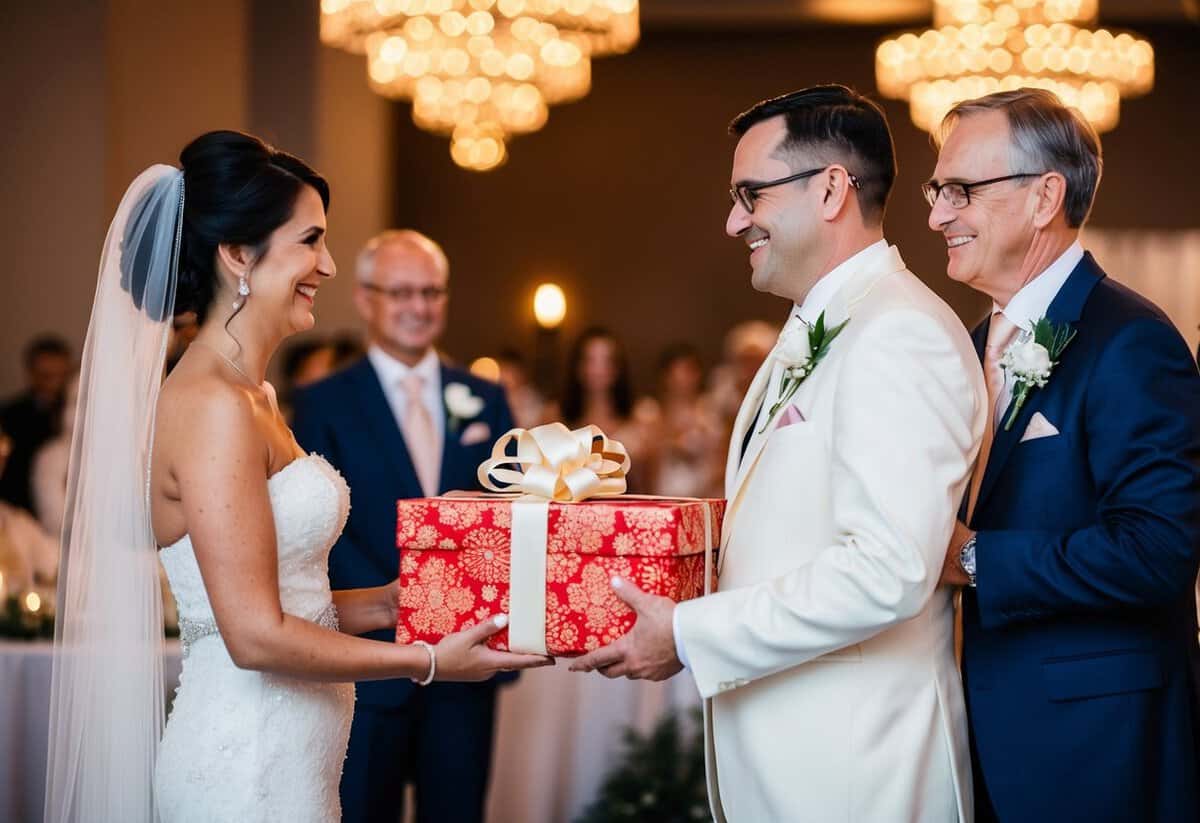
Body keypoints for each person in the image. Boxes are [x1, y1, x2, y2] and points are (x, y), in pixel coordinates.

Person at [43, 131, 549, 823]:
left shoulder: (254, 396)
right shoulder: (213, 405)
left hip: (294, 755)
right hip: (245, 764)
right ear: (238, 253)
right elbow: (254, 636)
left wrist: (394, 601)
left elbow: (290, 596)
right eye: (311, 240)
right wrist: (425, 659)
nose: (328, 265)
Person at [571, 85, 987, 822]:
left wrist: (689, 634)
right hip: (795, 760)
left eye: (750, 195)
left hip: (856, 774)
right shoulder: (822, 325)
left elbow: (887, 570)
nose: (734, 221)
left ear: (830, 189)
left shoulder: (899, 332)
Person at [928, 88, 1200, 822]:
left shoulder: (1131, 339)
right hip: (973, 735)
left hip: (1096, 749)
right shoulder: (966, 347)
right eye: (936, 190)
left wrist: (975, 558)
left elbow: (1159, 549)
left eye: (961, 190)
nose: (937, 216)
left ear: (1045, 196)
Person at [292, 229, 519, 823]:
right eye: (401, 293)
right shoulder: (322, 402)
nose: (419, 306)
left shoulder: (486, 398)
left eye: (431, 292)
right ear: (365, 299)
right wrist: (407, 605)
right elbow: (320, 530)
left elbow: (510, 509)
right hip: (367, 662)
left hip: (469, 656)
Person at [558, 327, 655, 493]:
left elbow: (652, 485)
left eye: (606, 361)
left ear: (618, 368)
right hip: (570, 507)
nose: (598, 370)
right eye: (590, 360)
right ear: (577, 366)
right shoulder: (555, 417)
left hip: (629, 506)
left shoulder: (642, 417)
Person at [638, 344, 723, 499]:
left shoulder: (709, 411)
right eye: (676, 372)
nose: (682, 379)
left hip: (702, 497)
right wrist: (670, 441)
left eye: (688, 371)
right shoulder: (650, 412)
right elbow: (643, 464)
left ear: (698, 374)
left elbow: (720, 461)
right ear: (665, 376)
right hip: (660, 496)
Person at [0, 335, 72, 511]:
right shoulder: (9, 416)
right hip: (22, 507)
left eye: (62, 376)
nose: (56, 384)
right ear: (31, 374)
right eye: (47, 376)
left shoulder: (77, 413)